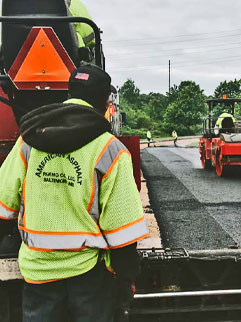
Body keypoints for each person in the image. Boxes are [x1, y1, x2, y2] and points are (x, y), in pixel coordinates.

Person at [0, 64, 148, 321]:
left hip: (38, 272)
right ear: (105, 103)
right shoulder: (110, 149)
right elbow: (122, 229)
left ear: (68, 93)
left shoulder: (28, 141)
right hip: (89, 276)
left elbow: (3, 205)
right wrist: (126, 278)